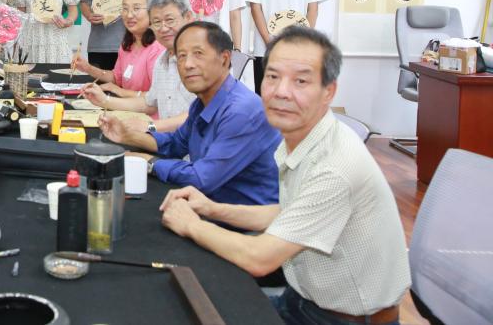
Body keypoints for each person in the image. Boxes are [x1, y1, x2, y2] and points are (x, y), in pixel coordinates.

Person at [159, 27, 409, 325]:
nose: (281, 91)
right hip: (301, 299)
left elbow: (259, 259)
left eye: (301, 81)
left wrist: (191, 224)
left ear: (329, 91)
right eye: (273, 77)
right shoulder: (300, 138)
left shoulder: (335, 166)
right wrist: (212, 209)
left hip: (340, 320)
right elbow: (286, 211)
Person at [98, 22, 280, 206]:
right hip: (209, 203)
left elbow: (202, 178)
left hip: (242, 216)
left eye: (198, 54)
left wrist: (149, 162)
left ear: (224, 59)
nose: (188, 64)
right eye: (182, 56)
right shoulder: (202, 101)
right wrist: (128, 135)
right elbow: (176, 143)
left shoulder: (242, 111)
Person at [81, 0, 195, 132]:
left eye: (170, 20)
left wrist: (150, 126)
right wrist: (104, 100)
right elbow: (150, 103)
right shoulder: (162, 61)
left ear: (188, 17)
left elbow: (198, 112)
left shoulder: (199, 59)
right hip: (165, 138)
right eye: (157, 22)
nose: (164, 28)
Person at [71, 0, 166, 111]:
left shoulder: (158, 50)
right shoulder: (128, 44)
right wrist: (88, 68)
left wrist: (120, 91)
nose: (129, 15)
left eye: (136, 8)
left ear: (153, 12)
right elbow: (116, 77)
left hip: (148, 118)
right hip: (124, 111)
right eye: (125, 9)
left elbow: (159, 98)